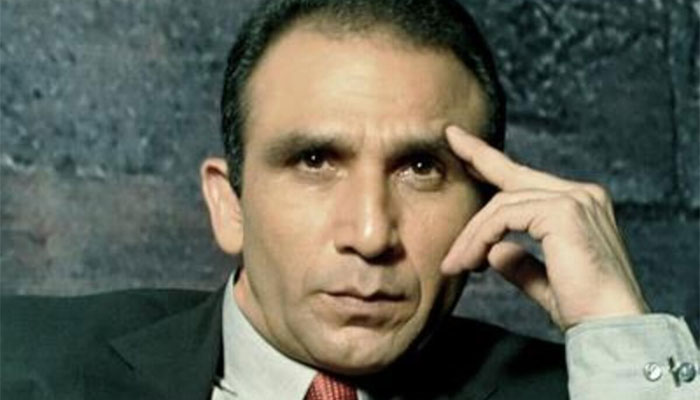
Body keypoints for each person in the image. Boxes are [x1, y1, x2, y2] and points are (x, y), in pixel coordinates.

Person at [2, 0, 698, 399]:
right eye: (314, 161)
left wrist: (620, 328)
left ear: (488, 212)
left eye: (421, 168)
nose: (370, 233)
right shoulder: (23, 360)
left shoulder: (593, 387)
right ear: (230, 203)